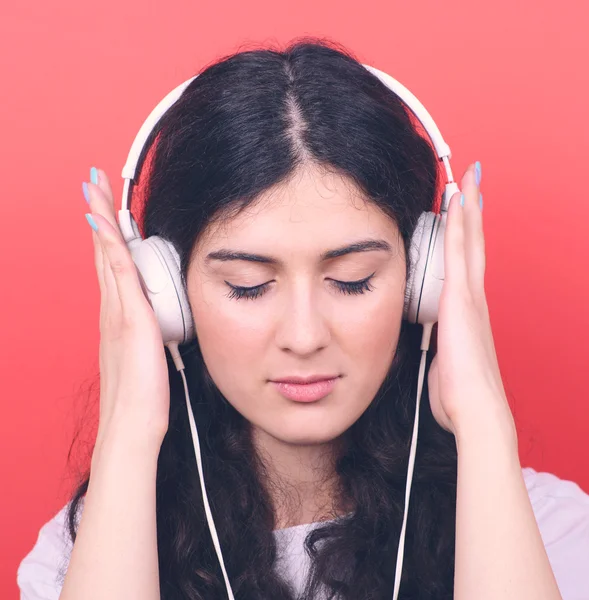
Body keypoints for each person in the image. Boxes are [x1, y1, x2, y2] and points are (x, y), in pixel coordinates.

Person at [17, 39, 589, 600]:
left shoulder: (547, 530)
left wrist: (483, 419)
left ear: (425, 279)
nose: (305, 336)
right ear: (169, 298)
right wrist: (129, 433)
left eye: (352, 280)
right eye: (248, 287)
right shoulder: (86, 553)